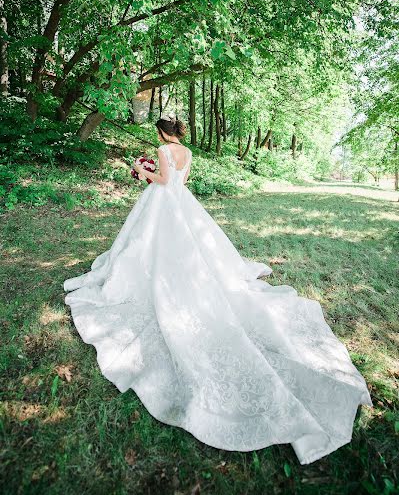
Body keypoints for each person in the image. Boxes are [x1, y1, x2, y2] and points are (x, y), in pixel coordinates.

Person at [63, 111, 373, 465]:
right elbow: (181, 182)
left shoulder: (163, 152)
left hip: (162, 204)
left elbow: (163, 182)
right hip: (182, 207)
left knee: (147, 248)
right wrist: (152, 172)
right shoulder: (188, 153)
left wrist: (140, 169)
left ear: (161, 133)